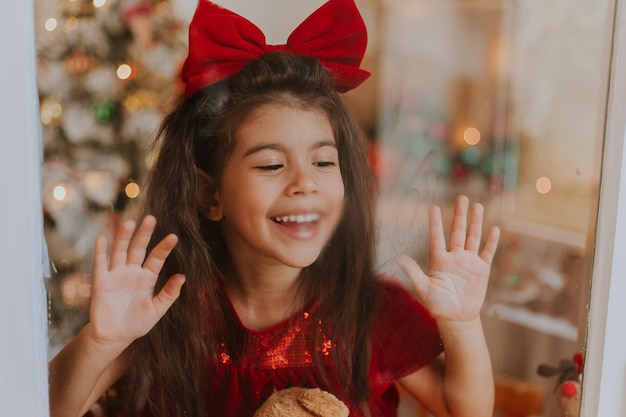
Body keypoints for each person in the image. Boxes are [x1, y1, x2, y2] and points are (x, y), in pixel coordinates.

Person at [48, 0, 500, 416]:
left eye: (323, 161)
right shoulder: (165, 308)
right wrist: (101, 342)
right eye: (271, 165)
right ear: (210, 195)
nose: (304, 183)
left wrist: (462, 325)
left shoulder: (373, 312)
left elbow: (466, 410)